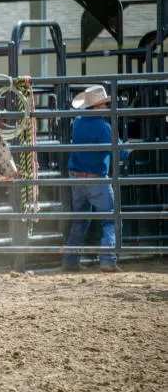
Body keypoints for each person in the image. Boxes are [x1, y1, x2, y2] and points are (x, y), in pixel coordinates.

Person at [63, 85, 131, 273]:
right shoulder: (103, 127)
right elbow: (121, 154)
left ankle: (70, 260)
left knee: (79, 220)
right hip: (96, 180)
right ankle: (107, 259)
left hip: (76, 177)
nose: (107, 106)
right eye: (105, 104)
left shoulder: (77, 121)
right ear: (99, 107)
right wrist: (129, 147)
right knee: (111, 218)